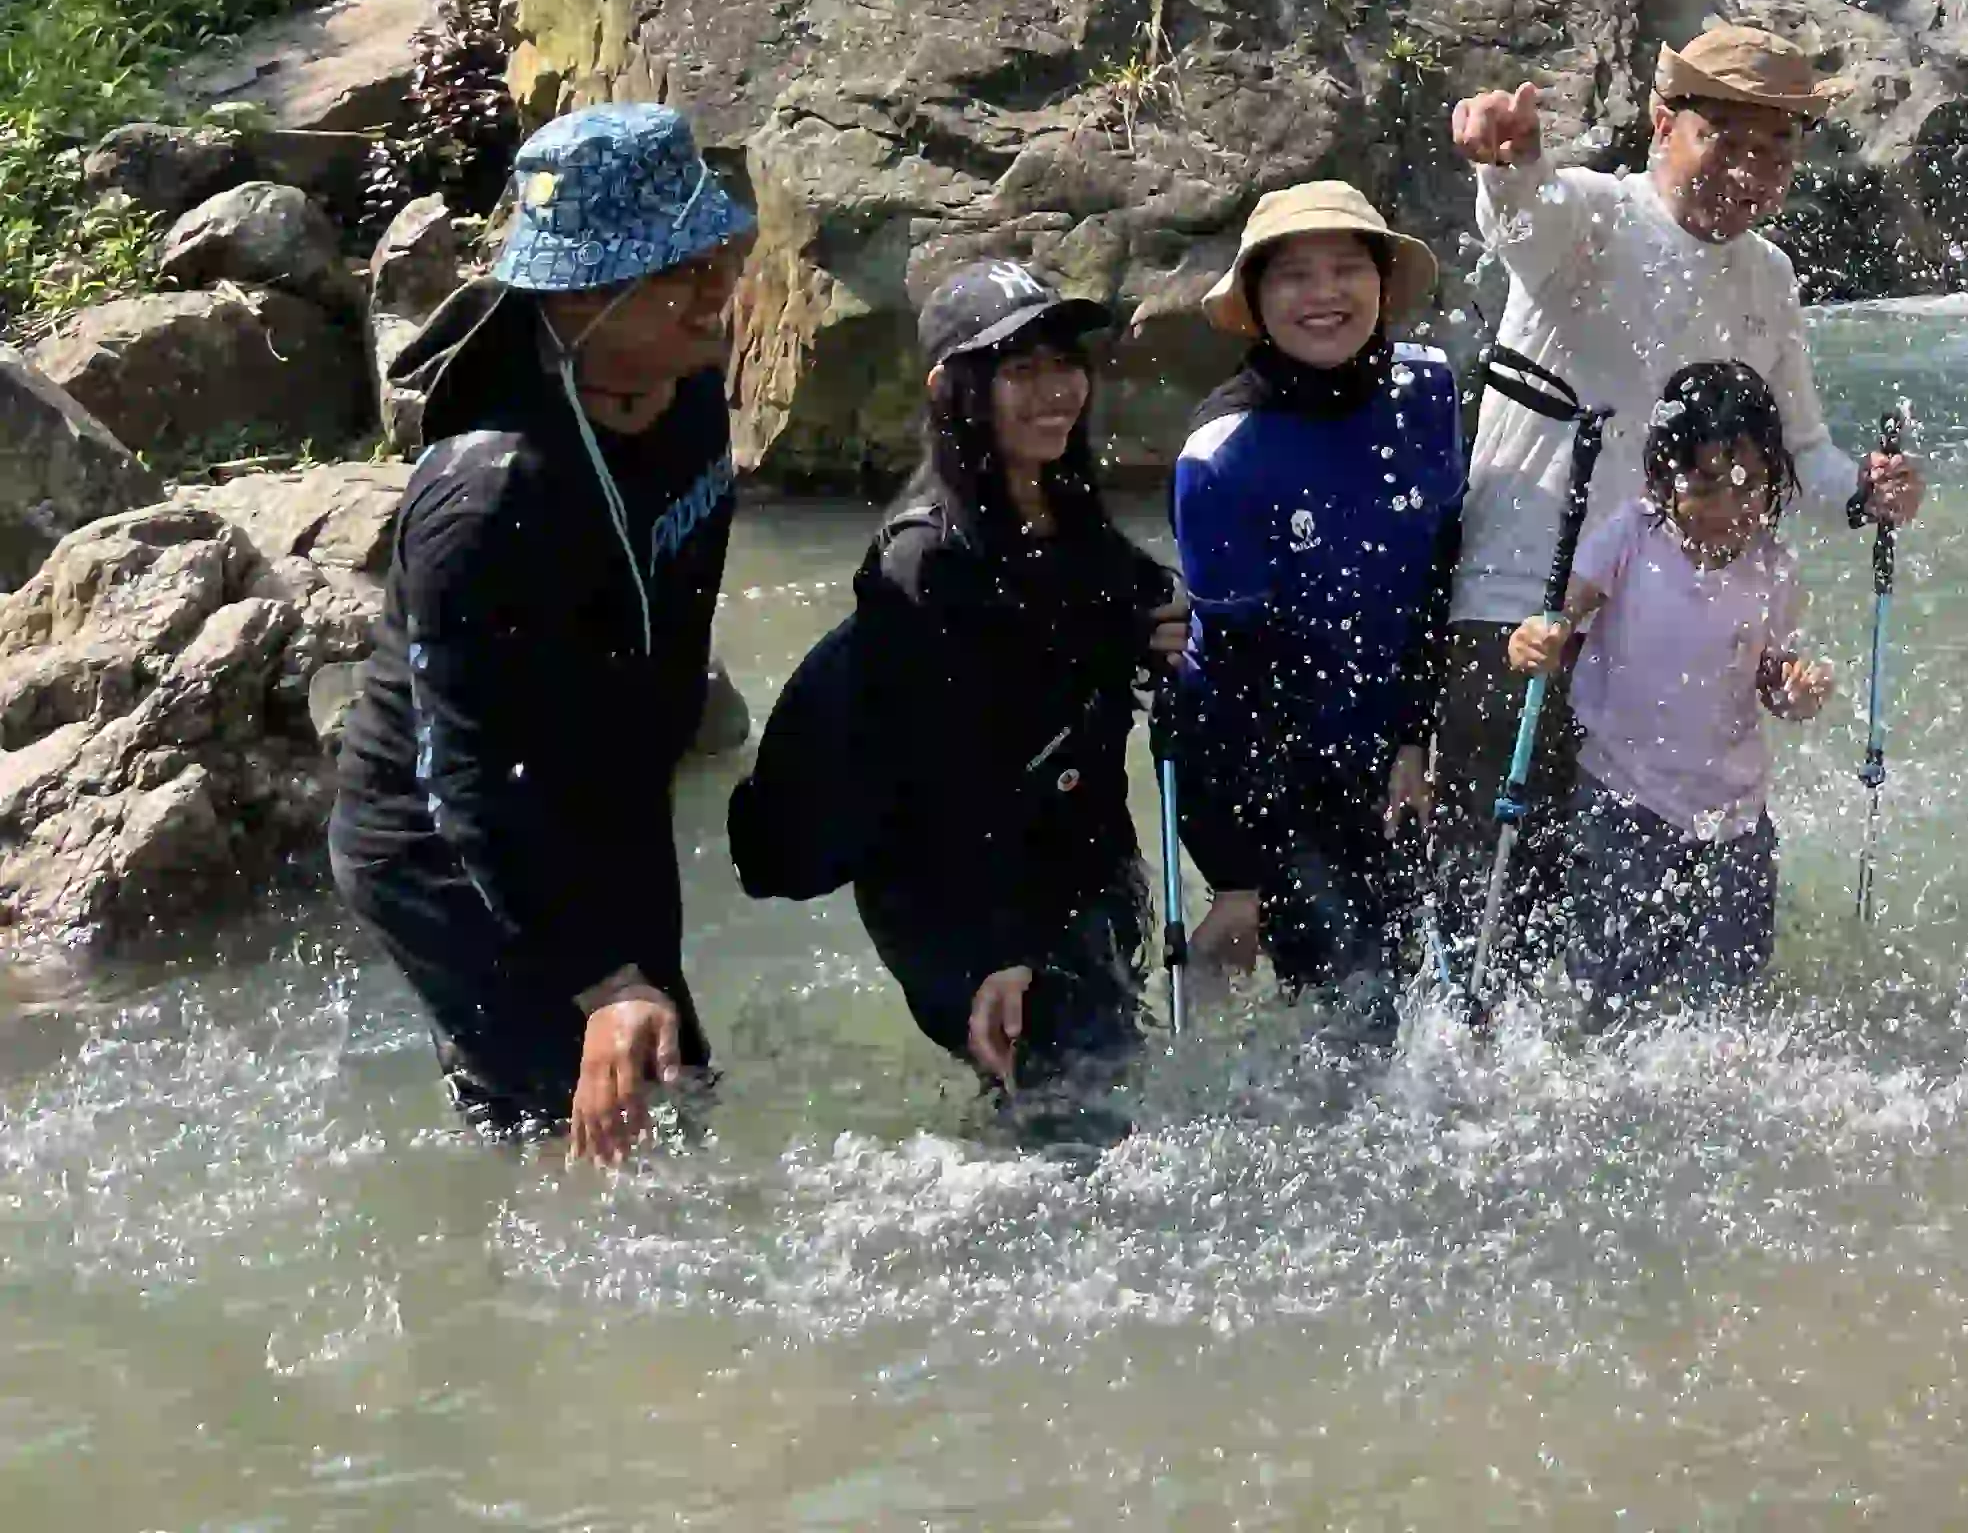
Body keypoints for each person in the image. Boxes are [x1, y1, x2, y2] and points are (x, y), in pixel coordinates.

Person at [328, 104, 755, 1159]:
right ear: (583, 300)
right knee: (589, 1120)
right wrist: (600, 979)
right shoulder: (485, 496)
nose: (720, 297)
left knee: (677, 1087)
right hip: (443, 836)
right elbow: (467, 770)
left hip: (599, 782)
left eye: (720, 257)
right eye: (683, 274)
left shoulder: (688, 386)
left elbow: (678, 612)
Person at [1439, 28, 1922, 958]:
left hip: (1653, 643)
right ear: (1664, 124)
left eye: (1775, 149)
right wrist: (1507, 163)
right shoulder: (1594, 214)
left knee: (1617, 928)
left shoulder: (1768, 276)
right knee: (1486, 900)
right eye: (1726, 141)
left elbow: (1800, 452)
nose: (1751, 170)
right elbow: (1525, 219)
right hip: (1525, 604)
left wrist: (1866, 493)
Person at [839, 263, 1183, 1121]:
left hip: (1077, 867)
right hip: (977, 902)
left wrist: (1159, 617)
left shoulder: (1064, 507)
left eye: (1063, 362)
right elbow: (930, 787)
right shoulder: (923, 561)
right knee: (1073, 1137)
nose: (1054, 391)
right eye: (1017, 369)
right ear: (951, 389)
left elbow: (1120, 599)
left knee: (1101, 1092)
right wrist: (997, 949)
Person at [1165, 181, 1468, 1026]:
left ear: (1382, 283)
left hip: (1406, 758)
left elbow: (1438, 575)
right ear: (1256, 301)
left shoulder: (1430, 389)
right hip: (1286, 783)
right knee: (1357, 1023)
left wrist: (1415, 738)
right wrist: (1236, 874)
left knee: (1447, 1010)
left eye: (1346, 270)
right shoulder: (1220, 456)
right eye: (1296, 276)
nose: (1325, 295)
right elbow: (1224, 678)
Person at [1504, 362, 1834, 1023]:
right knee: (1613, 980)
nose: (1727, 510)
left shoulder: (1774, 568)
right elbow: (1562, 613)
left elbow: (1770, 675)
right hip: (1624, 795)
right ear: (1662, 477)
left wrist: (1797, 689)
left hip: (1734, 814)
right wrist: (1534, 637)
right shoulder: (1631, 536)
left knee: (1730, 988)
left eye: (1750, 488)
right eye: (1705, 485)